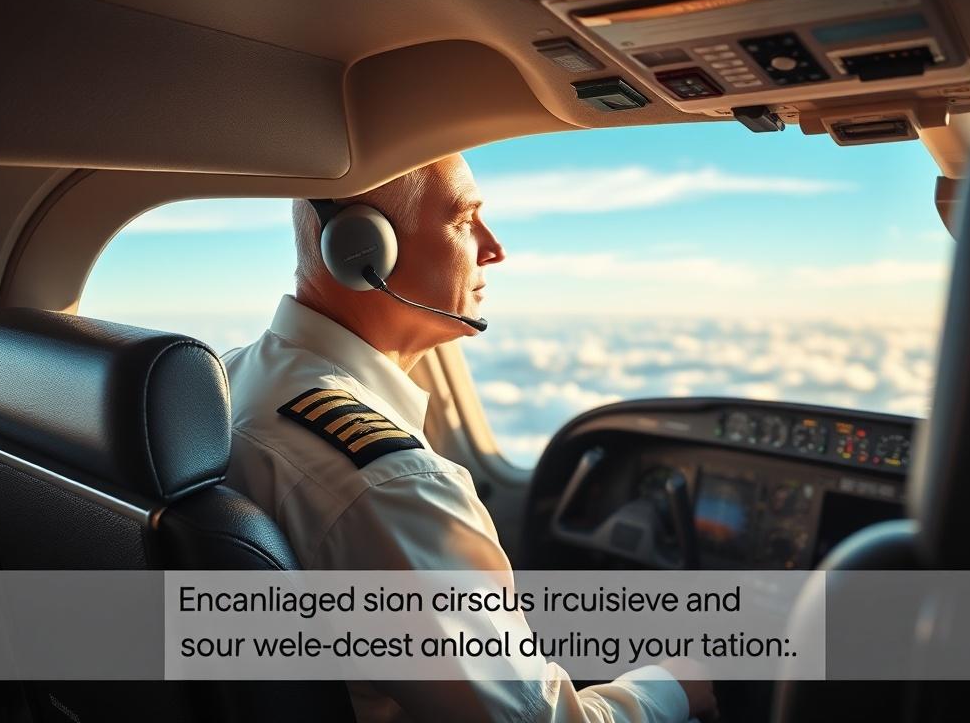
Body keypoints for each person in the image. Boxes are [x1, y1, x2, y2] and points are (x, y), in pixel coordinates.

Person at [223, 153, 718, 722]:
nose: (494, 248)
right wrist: (672, 688)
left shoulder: (232, 379)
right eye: (463, 220)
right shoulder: (390, 488)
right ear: (364, 250)